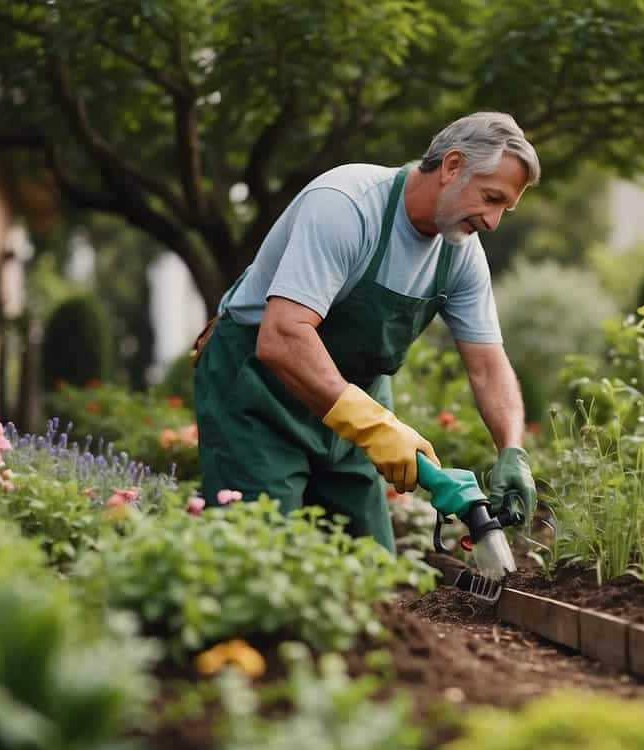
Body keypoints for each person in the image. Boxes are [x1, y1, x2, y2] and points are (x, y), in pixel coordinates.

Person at [193, 111, 539, 551]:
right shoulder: (348, 204)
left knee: (369, 566)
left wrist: (512, 449)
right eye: (490, 198)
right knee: (258, 557)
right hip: (257, 395)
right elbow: (282, 337)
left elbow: (489, 368)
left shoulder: (460, 254)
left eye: (504, 209)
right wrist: (375, 428)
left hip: (349, 407)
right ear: (452, 166)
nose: (492, 221)